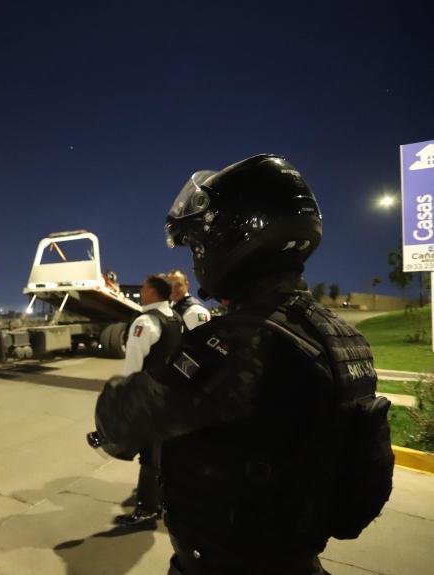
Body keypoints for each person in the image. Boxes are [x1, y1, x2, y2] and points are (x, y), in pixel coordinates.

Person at [94, 155, 393, 574]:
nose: (197, 257)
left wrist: (120, 393)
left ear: (235, 238)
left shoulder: (240, 342)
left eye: (198, 243)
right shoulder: (343, 337)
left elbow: (124, 423)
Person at [116, 274, 184, 529]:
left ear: (154, 293)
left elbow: (133, 367)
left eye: (144, 289)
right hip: (172, 397)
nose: (141, 293)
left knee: (149, 455)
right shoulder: (175, 318)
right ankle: (166, 500)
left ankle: (147, 508)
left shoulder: (144, 322)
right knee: (167, 452)